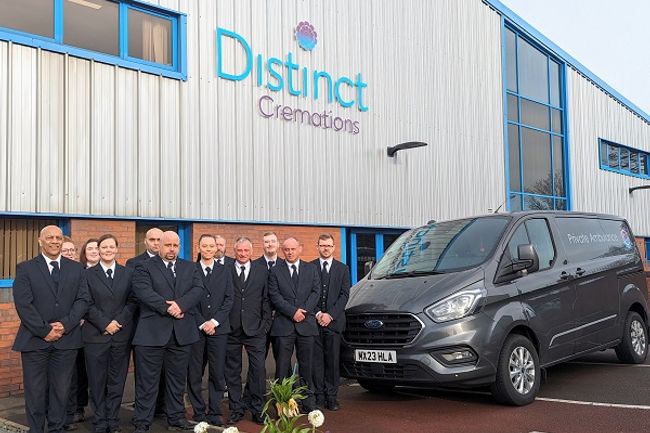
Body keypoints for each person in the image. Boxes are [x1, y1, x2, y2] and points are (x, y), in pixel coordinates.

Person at [12, 225, 90, 433]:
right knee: (36, 392)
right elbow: (23, 304)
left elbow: (83, 300)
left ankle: (56, 428)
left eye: (58, 237)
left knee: (61, 390)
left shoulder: (75, 269)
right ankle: (36, 429)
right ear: (40, 241)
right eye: (50, 238)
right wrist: (44, 329)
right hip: (35, 340)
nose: (55, 241)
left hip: (67, 340)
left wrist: (65, 325)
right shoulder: (25, 268)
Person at [131, 231, 205, 433]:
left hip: (181, 334)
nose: (171, 249)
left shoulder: (190, 267)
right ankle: (142, 422)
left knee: (177, 380)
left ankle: (176, 417)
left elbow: (198, 289)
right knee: (147, 381)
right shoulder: (143, 267)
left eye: (175, 245)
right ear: (159, 246)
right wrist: (168, 308)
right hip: (151, 333)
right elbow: (143, 291)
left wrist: (180, 305)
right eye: (167, 245)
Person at [83, 234, 138, 433]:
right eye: (103, 247)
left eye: (111, 247)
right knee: (97, 382)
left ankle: (113, 420)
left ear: (116, 249)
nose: (107, 250)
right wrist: (105, 324)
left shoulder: (128, 273)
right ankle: (99, 421)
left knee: (117, 380)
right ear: (98, 250)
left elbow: (133, 301)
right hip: (96, 336)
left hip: (121, 335)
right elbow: (85, 303)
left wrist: (118, 322)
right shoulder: (87, 275)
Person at [268, 237, 320, 412]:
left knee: (307, 366)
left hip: (306, 325)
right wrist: (292, 312)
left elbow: (316, 292)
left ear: (300, 249)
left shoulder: (311, 269)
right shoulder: (275, 271)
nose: (289, 252)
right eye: (286, 249)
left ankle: (308, 403)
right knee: (282, 367)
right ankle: (283, 404)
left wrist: (302, 311)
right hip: (284, 326)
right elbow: (274, 296)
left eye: (293, 249)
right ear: (283, 251)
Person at [187, 234, 234, 426]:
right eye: (204, 246)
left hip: (219, 330)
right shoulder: (191, 269)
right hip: (196, 330)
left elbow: (229, 299)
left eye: (211, 246)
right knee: (195, 372)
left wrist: (214, 322)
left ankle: (214, 411)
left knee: (217, 372)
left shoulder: (225, 270)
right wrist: (202, 323)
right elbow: (188, 299)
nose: (208, 249)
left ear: (217, 248)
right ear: (198, 247)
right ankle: (198, 411)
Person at [225, 237, 271, 425]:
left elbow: (266, 299)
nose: (243, 254)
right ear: (234, 251)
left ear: (252, 252)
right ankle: (236, 408)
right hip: (231, 328)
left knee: (258, 370)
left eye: (246, 251)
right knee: (232, 371)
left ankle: (258, 409)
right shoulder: (225, 270)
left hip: (256, 329)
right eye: (239, 251)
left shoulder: (262, 271)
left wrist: (265, 325)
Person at [311, 234, 350, 411]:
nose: (325, 248)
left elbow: (344, 295)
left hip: (334, 323)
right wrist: (319, 313)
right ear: (317, 246)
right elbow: (308, 293)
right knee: (317, 362)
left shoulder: (343, 269)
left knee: (333, 362)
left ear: (334, 247)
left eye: (328, 245)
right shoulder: (310, 267)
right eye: (322, 245)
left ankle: (332, 397)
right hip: (315, 323)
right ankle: (319, 396)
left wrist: (330, 315)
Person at [65, 238, 99, 429]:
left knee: (93, 373)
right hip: (75, 328)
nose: (94, 251)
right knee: (76, 372)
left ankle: (98, 410)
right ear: (84, 253)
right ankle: (77, 407)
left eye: (97, 248)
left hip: (95, 329)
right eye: (90, 248)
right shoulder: (78, 271)